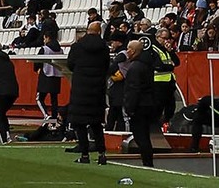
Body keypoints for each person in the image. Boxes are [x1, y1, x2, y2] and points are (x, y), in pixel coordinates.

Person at [66, 19, 111, 164]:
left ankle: (84, 154)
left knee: (79, 124)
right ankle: (101, 154)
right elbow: (106, 66)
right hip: (97, 89)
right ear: (99, 32)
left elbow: (70, 64)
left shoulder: (77, 46)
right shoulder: (104, 48)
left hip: (80, 88)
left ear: (87, 30)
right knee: (96, 124)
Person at [122, 37, 157, 169]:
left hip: (139, 106)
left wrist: (130, 108)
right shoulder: (147, 65)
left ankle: (147, 163)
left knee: (140, 136)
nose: (126, 52)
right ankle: (148, 161)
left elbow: (133, 90)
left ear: (132, 51)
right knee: (145, 135)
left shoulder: (135, 68)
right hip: (148, 104)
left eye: (128, 49)